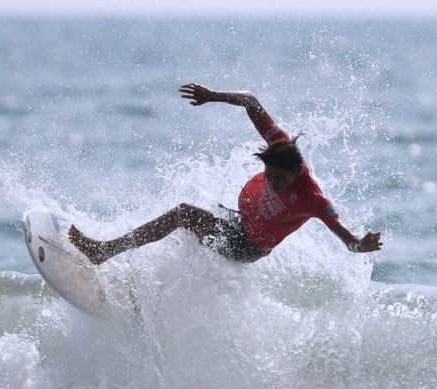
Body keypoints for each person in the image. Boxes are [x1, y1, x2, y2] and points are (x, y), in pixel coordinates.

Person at [68, 83, 382, 265]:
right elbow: (250, 101)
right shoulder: (278, 143)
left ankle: (104, 251)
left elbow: (348, 241)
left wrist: (361, 246)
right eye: (269, 175)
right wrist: (211, 95)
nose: (272, 183)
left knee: (183, 215)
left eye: (280, 180)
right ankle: (140, 280)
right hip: (239, 221)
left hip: (249, 245)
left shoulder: (313, 198)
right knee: (185, 225)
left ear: (297, 171)